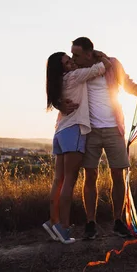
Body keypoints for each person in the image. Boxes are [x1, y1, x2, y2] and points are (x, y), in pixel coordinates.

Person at [67, 37, 137, 240]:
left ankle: (118, 221)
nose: (73, 58)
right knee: (90, 176)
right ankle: (90, 224)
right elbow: (64, 88)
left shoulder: (112, 64)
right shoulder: (76, 71)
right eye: (72, 54)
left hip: (114, 128)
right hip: (90, 130)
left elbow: (129, 86)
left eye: (76, 54)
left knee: (118, 175)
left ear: (89, 53)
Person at [42, 49, 112, 244]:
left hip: (60, 131)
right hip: (73, 131)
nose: (72, 62)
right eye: (67, 62)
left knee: (58, 180)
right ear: (63, 68)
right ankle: (63, 228)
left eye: (71, 59)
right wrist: (100, 55)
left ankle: (52, 220)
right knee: (69, 182)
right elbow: (104, 67)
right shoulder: (75, 76)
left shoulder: (58, 81)